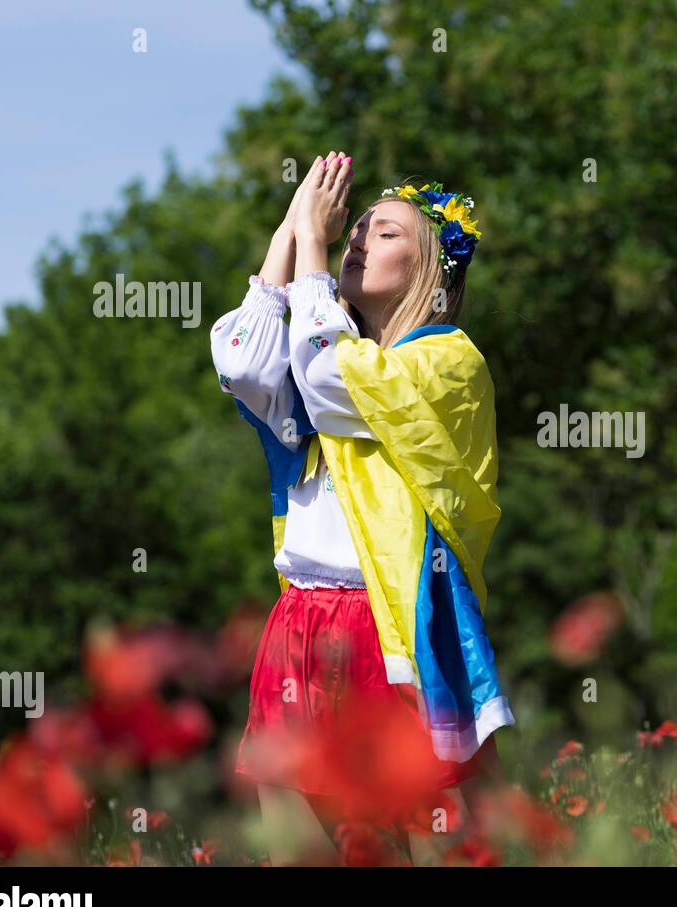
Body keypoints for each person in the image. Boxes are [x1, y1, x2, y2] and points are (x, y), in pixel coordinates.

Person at [210, 151, 514, 865]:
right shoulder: (330, 347)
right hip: (299, 627)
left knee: (442, 847)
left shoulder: (446, 363)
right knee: (302, 854)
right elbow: (244, 362)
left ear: (432, 268)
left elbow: (329, 376)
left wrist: (314, 253)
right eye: (355, 231)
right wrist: (291, 229)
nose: (355, 241)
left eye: (385, 234)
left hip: (396, 625)